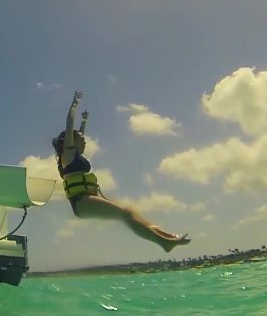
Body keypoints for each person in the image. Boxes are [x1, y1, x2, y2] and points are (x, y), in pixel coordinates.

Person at [54, 91, 190, 252]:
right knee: (125, 214)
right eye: (81, 141)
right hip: (81, 202)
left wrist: (85, 121)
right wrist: (74, 105)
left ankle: (169, 237)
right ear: (71, 141)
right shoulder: (68, 154)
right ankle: (164, 242)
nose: (85, 143)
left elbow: (79, 134)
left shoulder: (74, 154)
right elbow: (70, 126)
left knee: (130, 212)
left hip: (91, 198)